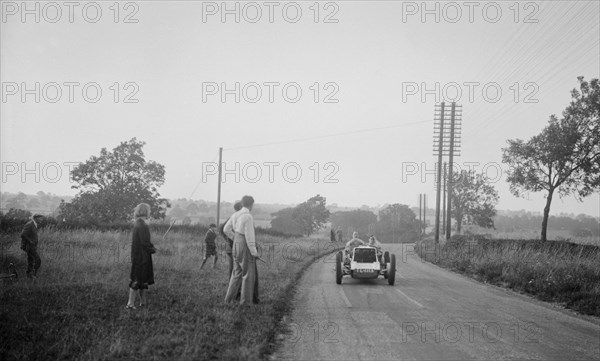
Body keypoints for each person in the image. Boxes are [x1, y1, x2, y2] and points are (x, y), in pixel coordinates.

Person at [224, 195, 259, 305]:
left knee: (236, 273)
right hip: (244, 244)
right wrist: (254, 252)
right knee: (247, 274)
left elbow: (226, 229)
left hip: (236, 244)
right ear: (251, 204)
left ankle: (228, 300)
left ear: (242, 203)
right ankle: (245, 304)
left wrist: (235, 238)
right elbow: (249, 237)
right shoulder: (248, 216)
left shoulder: (235, 215)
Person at [126, 203, 156, 310]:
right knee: (137, 279)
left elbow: (143, 241)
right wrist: (152, 249)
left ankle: (143, 303)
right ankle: (130, 304)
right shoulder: (143, 225)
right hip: (141, 257)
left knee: (142, 279)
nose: (149, 212)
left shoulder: (138, 223)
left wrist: (150, 246)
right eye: (148, 210)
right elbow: (144, 242)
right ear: (145, 212)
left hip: (139, 256)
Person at [219, 201, 243, 278]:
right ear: (240, 208)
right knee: (236, 269)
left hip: (231, 247)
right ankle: (234, 288)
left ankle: (233, 287)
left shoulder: (232, 217)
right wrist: (234, 238)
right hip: (235, 247)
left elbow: (221, 229)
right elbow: (223, 229)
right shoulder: (238, 218)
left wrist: (228, 239)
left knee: (233, 268)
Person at [20, 214, 44, 278]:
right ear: (36, 218)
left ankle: (29, 275)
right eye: (40, 218)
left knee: (31, 260)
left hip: (32, 246)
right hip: (29, 246)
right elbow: (23, 234)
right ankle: (32, 274)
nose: (42, 220)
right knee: (38, 260)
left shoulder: (34, 224)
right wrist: (30, 241)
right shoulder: (30, 224)